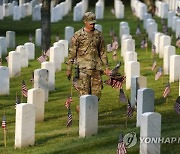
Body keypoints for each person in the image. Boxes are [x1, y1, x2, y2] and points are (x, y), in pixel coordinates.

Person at [66, 11, 111, 100]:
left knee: (96, 95)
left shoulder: (98, 35)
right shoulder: (78, 35)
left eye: (94, 23)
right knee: (84, 95)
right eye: (90, 24)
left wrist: (106, 67)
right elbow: (72, 53)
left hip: (96, 69)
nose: (92, 25)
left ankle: (91, 112)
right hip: (83, 69)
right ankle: (82, 110)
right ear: (85, 22)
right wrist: (69, 68)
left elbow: (102, 52)